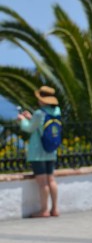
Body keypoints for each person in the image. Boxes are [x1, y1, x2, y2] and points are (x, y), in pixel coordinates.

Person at [17, 86, 61, 218]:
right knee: (51, 180)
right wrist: (31, 117)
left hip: (38, 152)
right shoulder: (57, 111)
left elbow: (30, 128)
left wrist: (23, 120)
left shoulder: (39, 113)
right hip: (51, 150)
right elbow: (40, 126)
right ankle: (55, 208)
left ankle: (44, 210)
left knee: (43, 182)